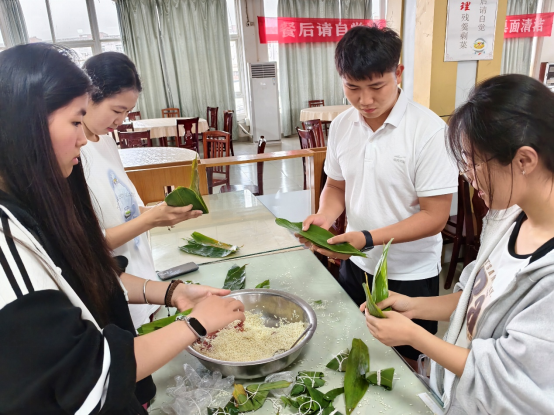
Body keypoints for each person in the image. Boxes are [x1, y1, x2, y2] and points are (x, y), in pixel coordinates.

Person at [0, 43, 245, 414]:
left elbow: (85, 275)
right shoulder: (9, 246)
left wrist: (173, 292)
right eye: (75, 121)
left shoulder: (39, 200)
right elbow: (90, 380)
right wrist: (195, 325)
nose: (83, 139)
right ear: (27, 125)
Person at [363, 74, 554, 414]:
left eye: (473, 160)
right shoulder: (507, 217)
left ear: (524, 160)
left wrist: (414, 336)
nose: (466, 173)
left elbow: (508, 376)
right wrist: (413, 306)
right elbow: (473, 300)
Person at [300, 26, 458, 367]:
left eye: (376, 87)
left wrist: (368, 238)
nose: (365, 101)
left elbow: (434, 217)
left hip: (409, 273)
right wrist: (325, 217)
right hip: (355, 264)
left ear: (398, 73)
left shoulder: (429, 132)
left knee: (406, 364)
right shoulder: (342, 125)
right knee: (352, 351)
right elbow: (336, 186)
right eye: (352, 88)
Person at [80, 52, 202, 328]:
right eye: (116, 110)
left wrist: (160, 213)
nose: (121, 121)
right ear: (88, 97)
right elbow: (86, 244)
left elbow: (124, 210)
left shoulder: (105, 141)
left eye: (127, 112)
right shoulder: (72, 156)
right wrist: (150, 219)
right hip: (116, 290)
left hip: (144, 284)